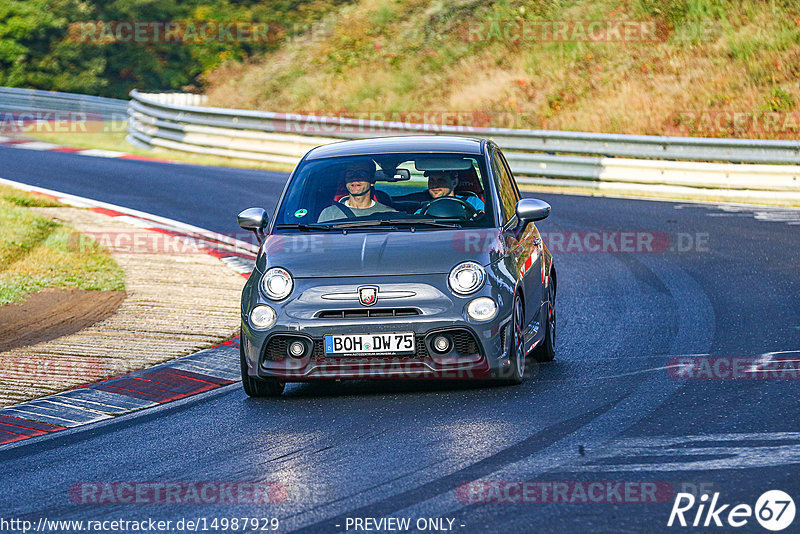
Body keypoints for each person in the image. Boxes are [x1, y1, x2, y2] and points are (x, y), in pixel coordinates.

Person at [318, 162, 396, 223]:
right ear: (345, 179)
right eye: (350, 173)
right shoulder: (329, 214)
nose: (355, 178)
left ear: (372, 180)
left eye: (362, 173)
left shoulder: (389, 214)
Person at [416, 170, 485, 214]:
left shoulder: (474, 203)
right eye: (431, 180)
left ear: (454, 183)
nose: (434, 185)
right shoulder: (423, 211)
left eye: (441, 180)